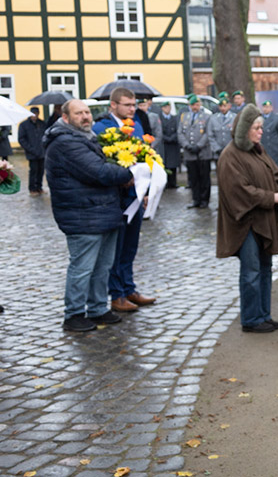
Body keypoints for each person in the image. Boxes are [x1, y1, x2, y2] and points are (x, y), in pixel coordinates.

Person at [44, 99, 133, 331]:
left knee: (102, 266)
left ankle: (97, 309)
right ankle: (73, 314)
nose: (85, 117)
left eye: (87, 112)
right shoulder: (65, 142)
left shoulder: (86, 137)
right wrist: (129, 172)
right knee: (83, 267)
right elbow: (98, 171)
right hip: (82, 215)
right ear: (66, 118)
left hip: (101, 212)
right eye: (78, 113)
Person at [217, 104, 278, 333]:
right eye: (256, 127)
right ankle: (251, 318)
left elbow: (274, 172)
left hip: (263, 220)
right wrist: (271, 197)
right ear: (244, 129)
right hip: (245, 223)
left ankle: (263, 314)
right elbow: (239, 190)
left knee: (265, 268)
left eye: (261, 127)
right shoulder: (230, 156)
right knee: (251, 271)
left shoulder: (257, 149)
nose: (261, 132)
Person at [92, 87, 157, 313]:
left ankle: (129, 287)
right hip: (115, 197)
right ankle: (116, 293)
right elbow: (99, 162)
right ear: (113, 105)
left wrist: (146, 191)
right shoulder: (101, 128)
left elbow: (144, 159)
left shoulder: (137, 125)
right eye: (127, 105)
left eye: (134, 104)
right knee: (116, 248)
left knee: (130, 246)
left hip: (135, 196)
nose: (132, 108)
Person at [178, 94, 213, 208]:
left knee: (204, 177)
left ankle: (204, 200)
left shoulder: (206, 117)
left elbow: (208, 133)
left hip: (203, 153)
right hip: (190, 153)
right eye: (193, 104)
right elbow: (180, 133)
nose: (195, 107)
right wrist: (187, 145)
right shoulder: (184, 117)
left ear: (200, 105)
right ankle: (195, 199)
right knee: (193, 178)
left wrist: (199, 145)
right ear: (189, 105)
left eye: (197, 104)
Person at [18, 106, 47, 195]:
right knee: (33, 171)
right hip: (32, 153)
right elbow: (22, 139)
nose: (35, 115)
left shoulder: (42, 124)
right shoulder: (24, 125)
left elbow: (46, 136)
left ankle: (39, 187)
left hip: (42, 152)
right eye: (33, 114)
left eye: (36, 113)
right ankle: (32, 189)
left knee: (41, 171)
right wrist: (31, 149)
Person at [159, 103, 181, 189]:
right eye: (165, 107)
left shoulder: (174, 118)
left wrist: (172, 138)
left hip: (173, 144)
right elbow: (159, 131)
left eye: (168, 107)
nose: (167, 109)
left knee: (173, 164)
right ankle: (166, 183)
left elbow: (178, 129)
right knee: (165, 164)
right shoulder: (160, 119)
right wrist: (166, 138)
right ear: (162, 108)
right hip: (164, 145)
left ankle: (173, 182)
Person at [259, 101, 278, 169]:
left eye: (267, 107)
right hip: (263, 146)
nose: (265, 109)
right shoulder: (259, 118)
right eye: (264, 107)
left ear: (271, 108)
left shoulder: (277, 118)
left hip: (274, 147)